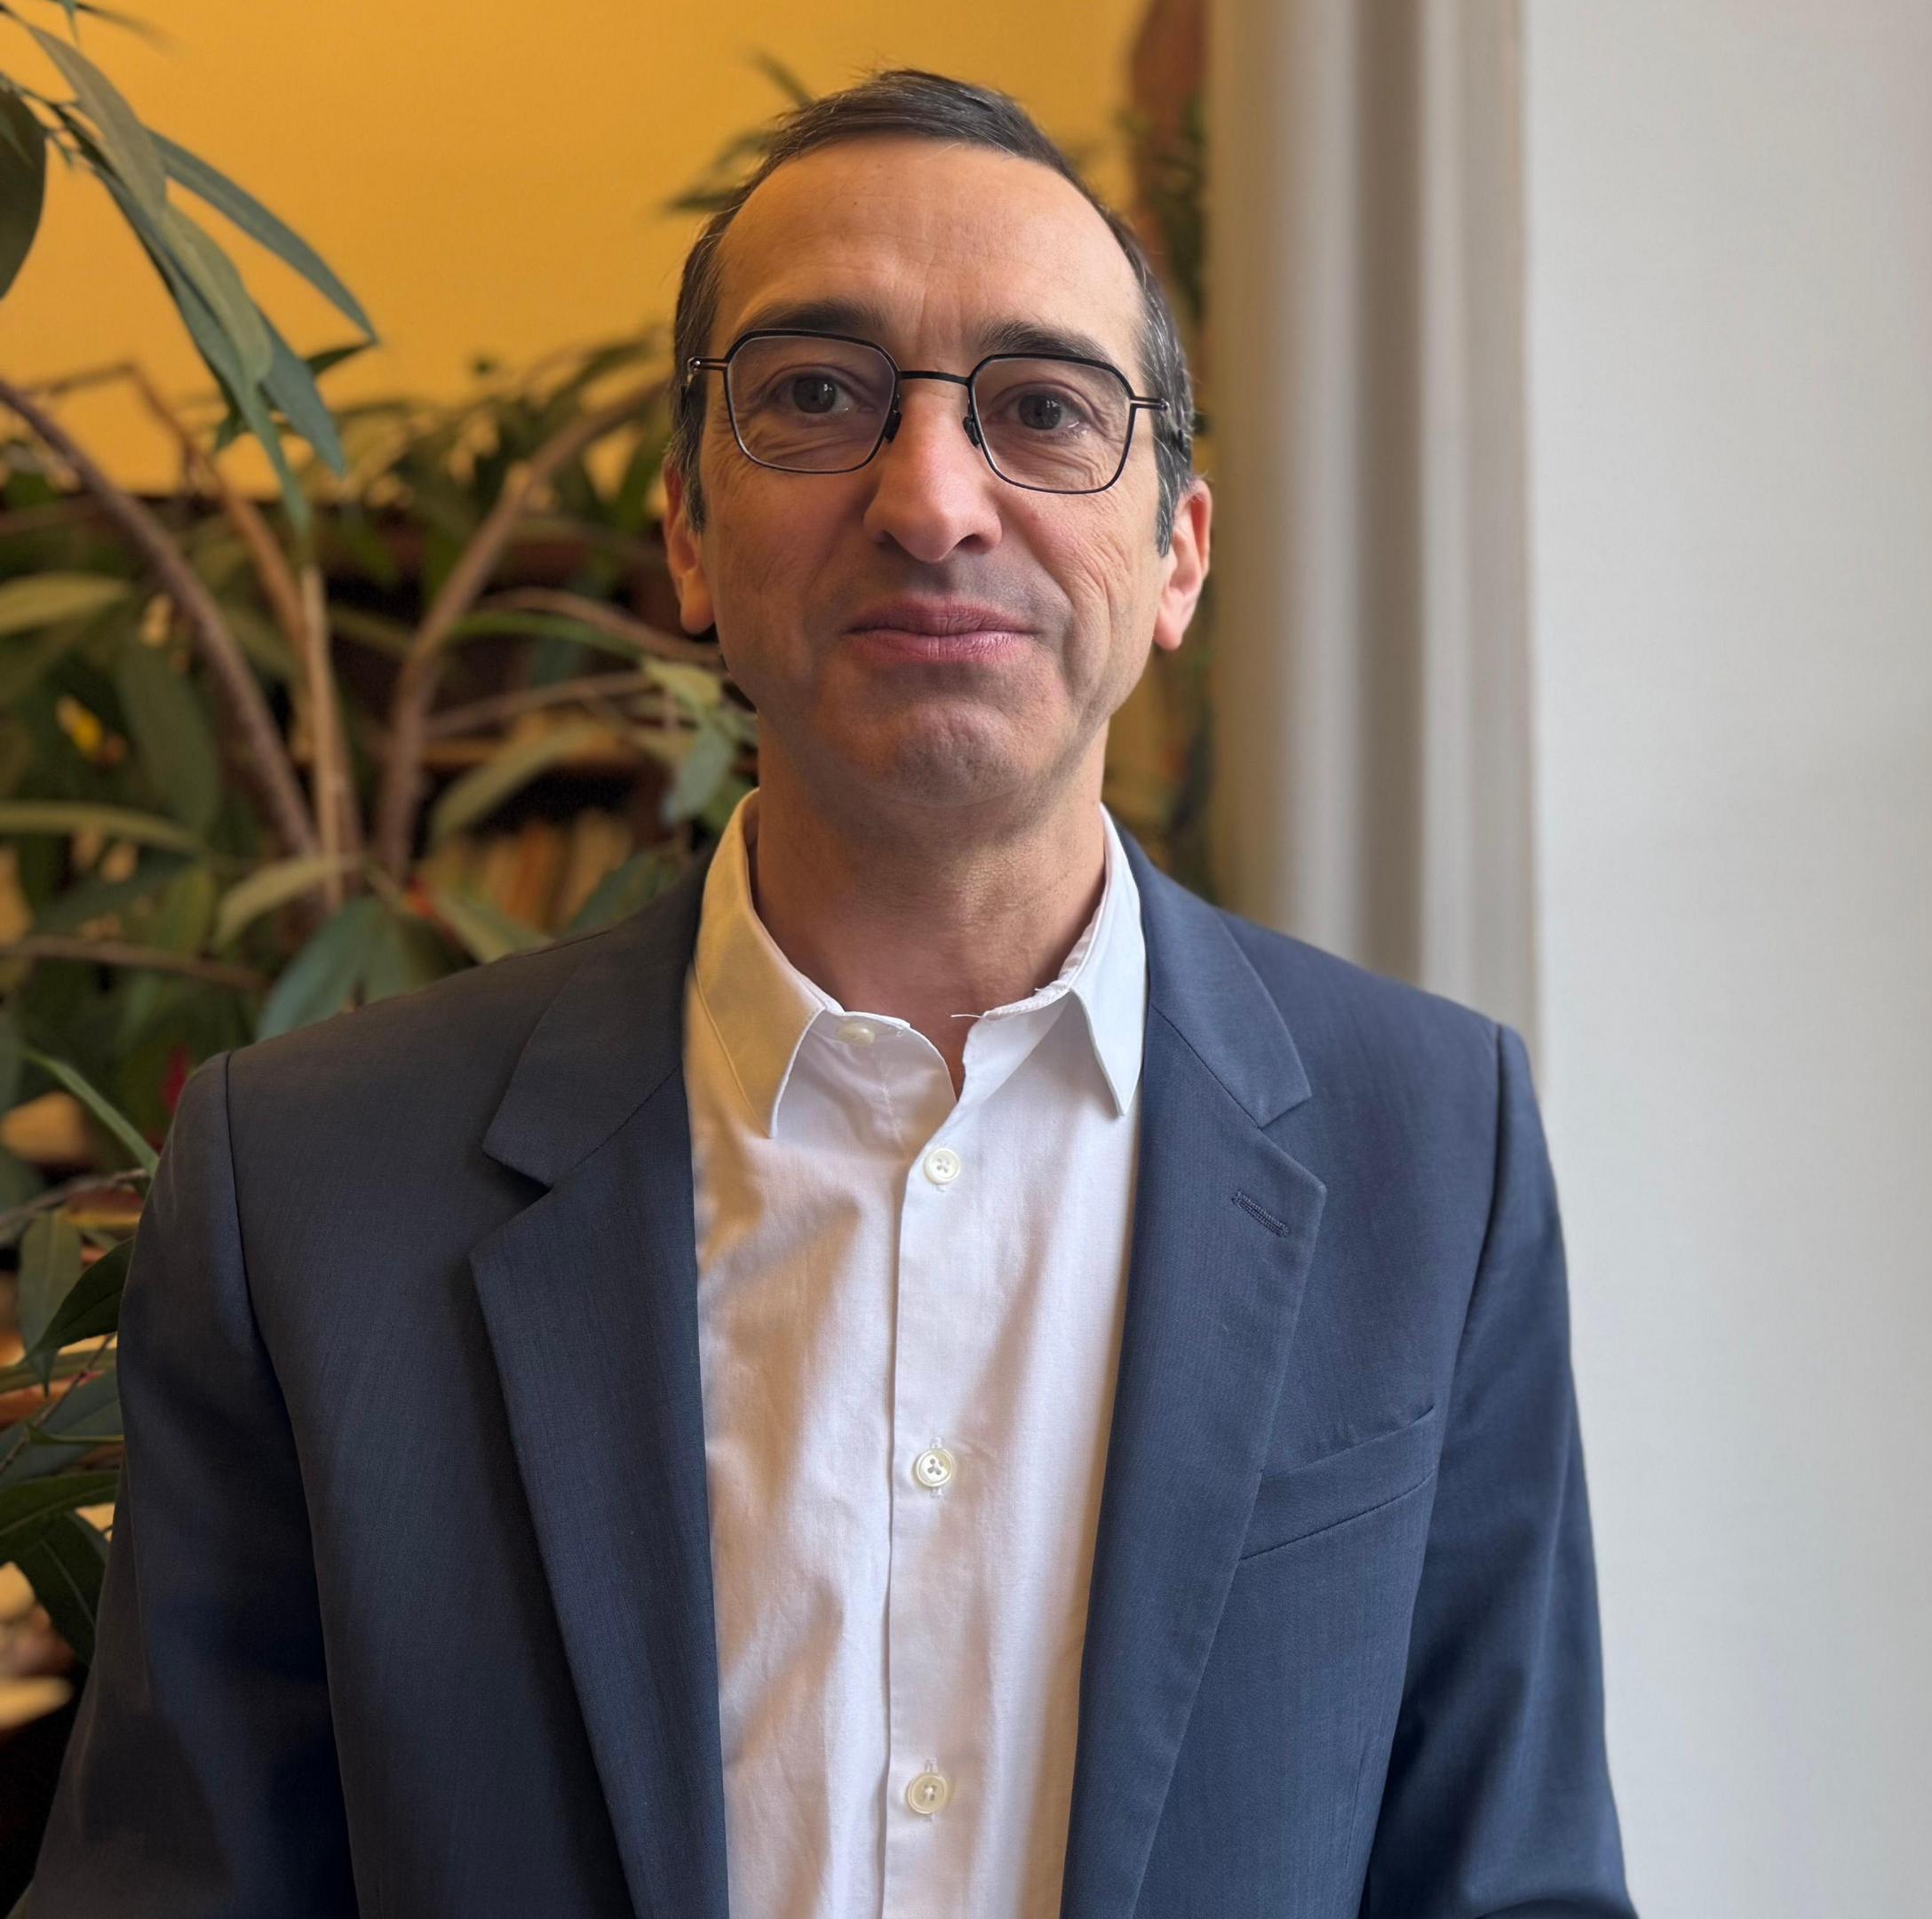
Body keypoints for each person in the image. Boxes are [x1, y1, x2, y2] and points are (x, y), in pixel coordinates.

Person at [32, 70, 1627, 1919]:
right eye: (816, 395)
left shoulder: (1433, 1153)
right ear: (691, 536)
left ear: (1176, 551)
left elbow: (1508, 1880)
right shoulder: (309, 1192)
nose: (934, 497)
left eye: (1042, 410)